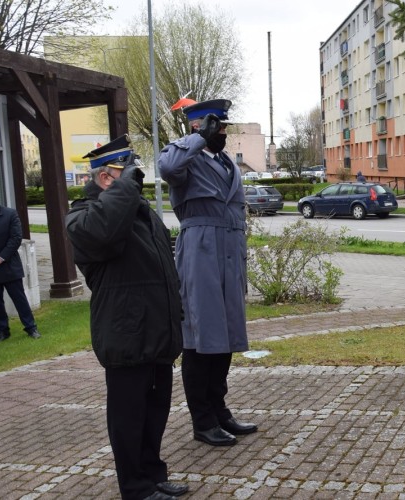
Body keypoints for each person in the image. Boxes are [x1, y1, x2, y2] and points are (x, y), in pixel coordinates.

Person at [65, 135, 188, 500]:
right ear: (106, 179)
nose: (137, 179)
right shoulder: (82, 214)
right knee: (129, 417)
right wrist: (122, 191)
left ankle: (153, 474)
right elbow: (100, 233)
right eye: (128, 172)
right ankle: (135, 487)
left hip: (156, 330)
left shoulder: (136, 211)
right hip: (125, 333)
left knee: (154, 413)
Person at [158, 99, 258, 447]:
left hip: (229, 253)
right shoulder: (186, 156)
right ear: (201, 126)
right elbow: (167, 168)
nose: (224, 133)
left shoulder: (226, 162)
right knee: (200, 341)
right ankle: (202, 421)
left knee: (226, 336)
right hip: (201, 251)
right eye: (219, 127)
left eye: (225, 128)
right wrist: (197, 138)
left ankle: (220, 411)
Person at [0, 184, 40, 342]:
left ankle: (31, 327)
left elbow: (15, 239)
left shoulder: (9, 214)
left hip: (8, 265)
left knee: (18, 298)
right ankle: (2, 331)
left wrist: (0, 258)